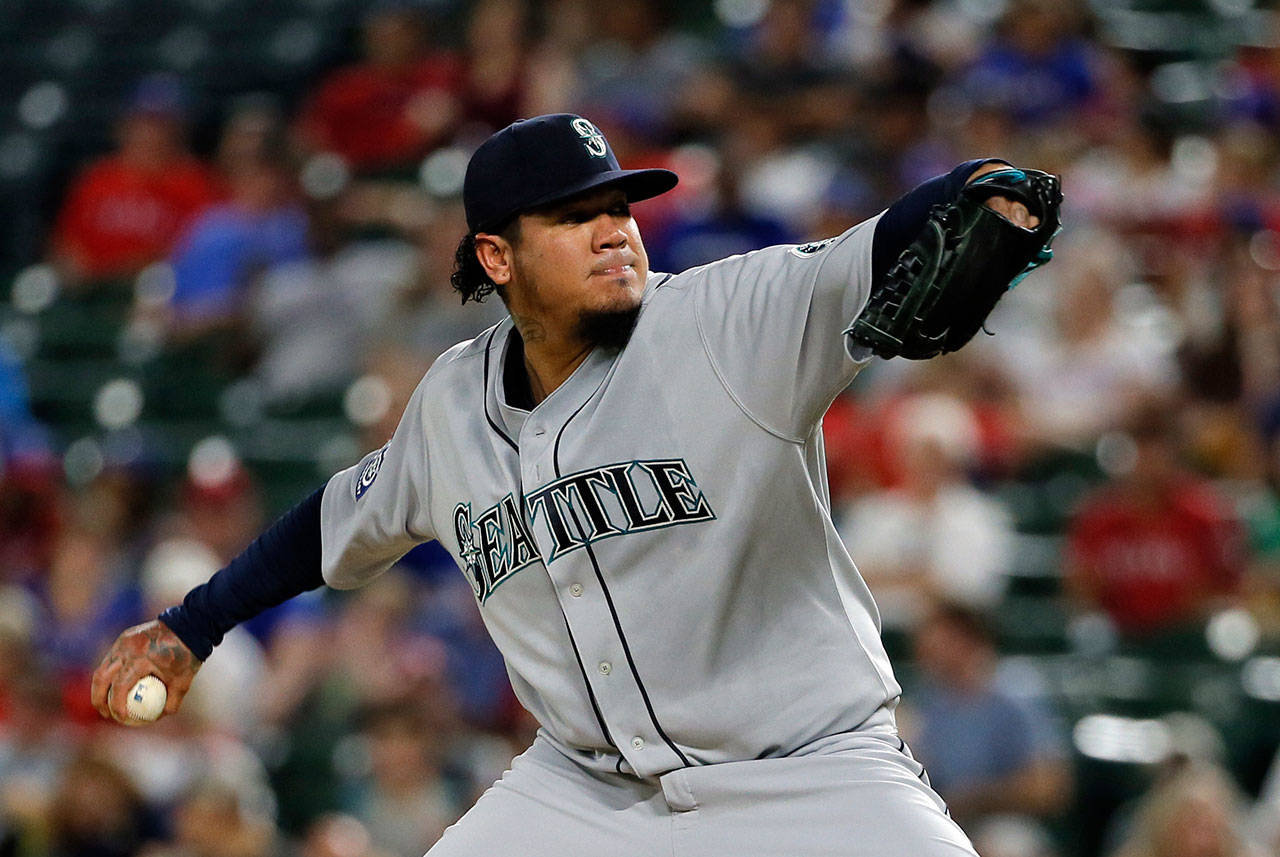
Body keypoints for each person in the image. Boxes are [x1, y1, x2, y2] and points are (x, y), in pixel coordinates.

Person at [92, 113, 1051, 856]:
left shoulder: (726, 321)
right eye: (574, 216)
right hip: (586, 792)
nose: (613, 232)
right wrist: (190, 626)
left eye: (619, 209)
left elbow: (864, 258)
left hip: (809, 769)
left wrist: (980, 191)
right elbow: (333, 523)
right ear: (497, 256)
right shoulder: (450, 403)